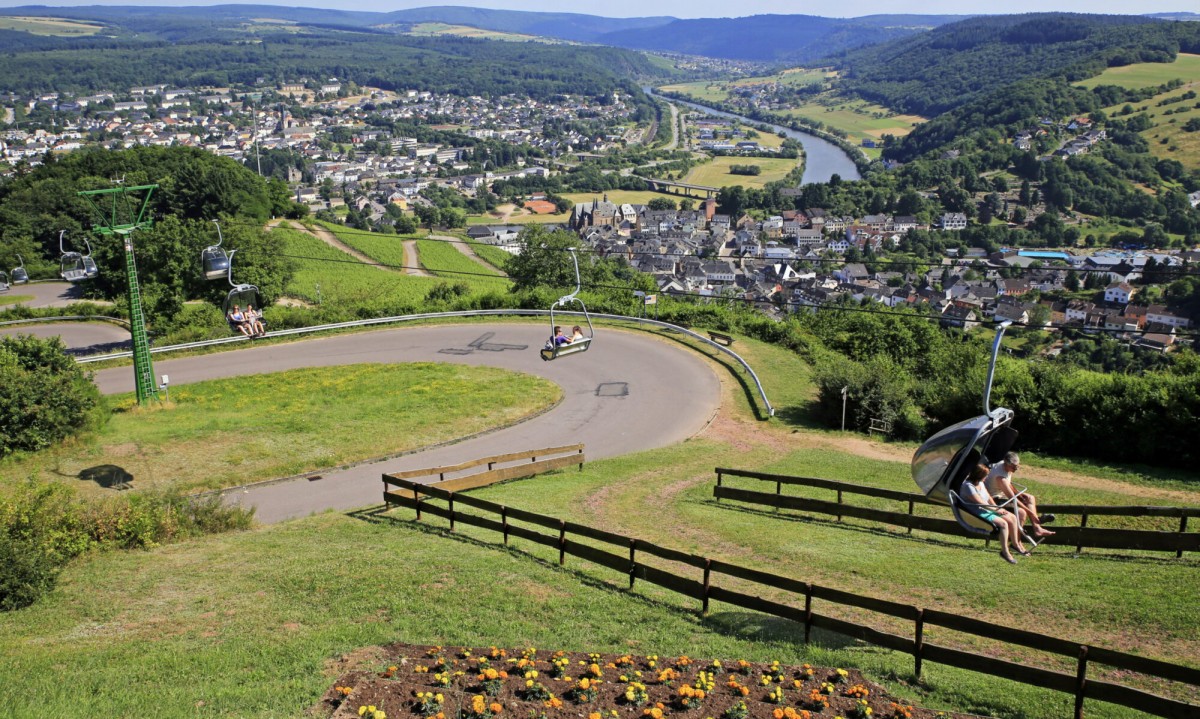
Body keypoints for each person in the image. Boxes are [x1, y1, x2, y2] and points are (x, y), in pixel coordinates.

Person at [960, 464, 1030, 564]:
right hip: (976, 511)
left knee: (1013, 517)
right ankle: (1005, 552)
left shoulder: (980, 483)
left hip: (987, 509)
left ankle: (1015, 545)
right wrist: (995, 510)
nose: (987, 477)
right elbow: (980, 502)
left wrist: (997, 507)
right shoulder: (968, 486)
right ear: (979, 476)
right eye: (985, 475)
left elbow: (988, 497)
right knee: (1003, 524)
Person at [985, 452, 1055, 538]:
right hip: (996, 498)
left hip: (1003, 493)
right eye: (1013, 467)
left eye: (1017, 466)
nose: (1016, 469)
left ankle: (1037, 528)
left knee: (1030, 498)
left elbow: (1009, 484)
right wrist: (1031, 513)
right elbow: (1013, 499)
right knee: (1023, 511)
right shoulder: (1000, 477)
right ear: (1006, 463)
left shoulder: (1005, 466)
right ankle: (1036, 524)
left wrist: (1019, 494)